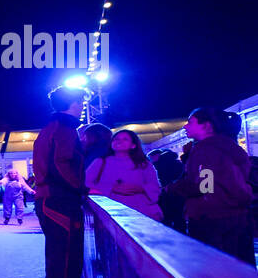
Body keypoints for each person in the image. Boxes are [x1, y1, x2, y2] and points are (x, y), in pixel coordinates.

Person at [32, 85, 94, 278]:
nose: (83, 107)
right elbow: (60, 166)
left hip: (55, 199)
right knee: (65, 262)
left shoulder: (55, 128)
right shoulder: (64, 129)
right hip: (58, 200)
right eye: (81, 102)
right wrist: (80, 188)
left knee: (64, 261)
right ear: (75, 103)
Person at [162, 107, 255, 266]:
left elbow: (205, 185)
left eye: (190, 122)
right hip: (237, 216)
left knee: (216, 270)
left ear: (206, 126)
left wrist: (171, 188)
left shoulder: (206, 149)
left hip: (212, 219)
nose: (185, 126)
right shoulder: (230, 147)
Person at [86, 129, 162, 220]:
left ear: (133, 145)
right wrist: (112, 188)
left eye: (125, 139)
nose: (119, 141)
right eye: (116, 139)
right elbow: (85, 183)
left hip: (141, 210)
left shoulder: (143, 164)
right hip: (111, 209)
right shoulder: (100, 162)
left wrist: (141, 188)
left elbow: (154, 186)